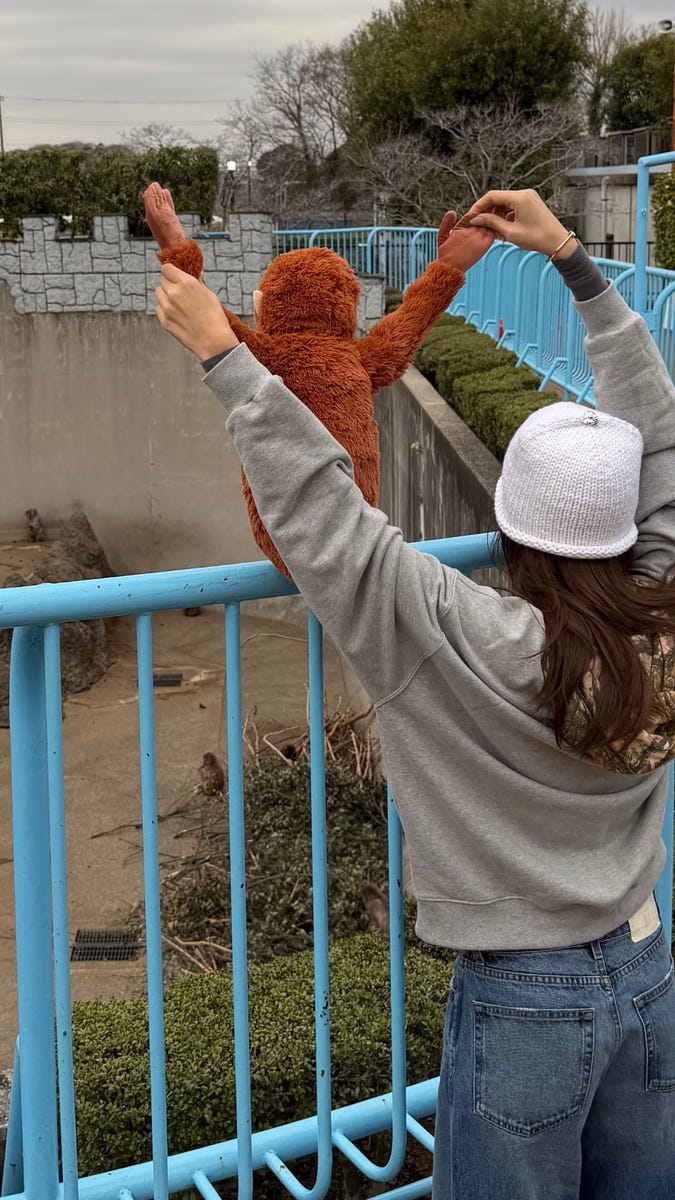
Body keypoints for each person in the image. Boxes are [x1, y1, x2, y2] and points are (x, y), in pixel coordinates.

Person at [154, 189, 675, 1200]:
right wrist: (575, 263)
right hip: (648, 965)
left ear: (509, 523)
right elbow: (656, 440)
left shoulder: (450, 632)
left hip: (524, 996)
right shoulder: (660, 610)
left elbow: (326, 522)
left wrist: (227, 357)